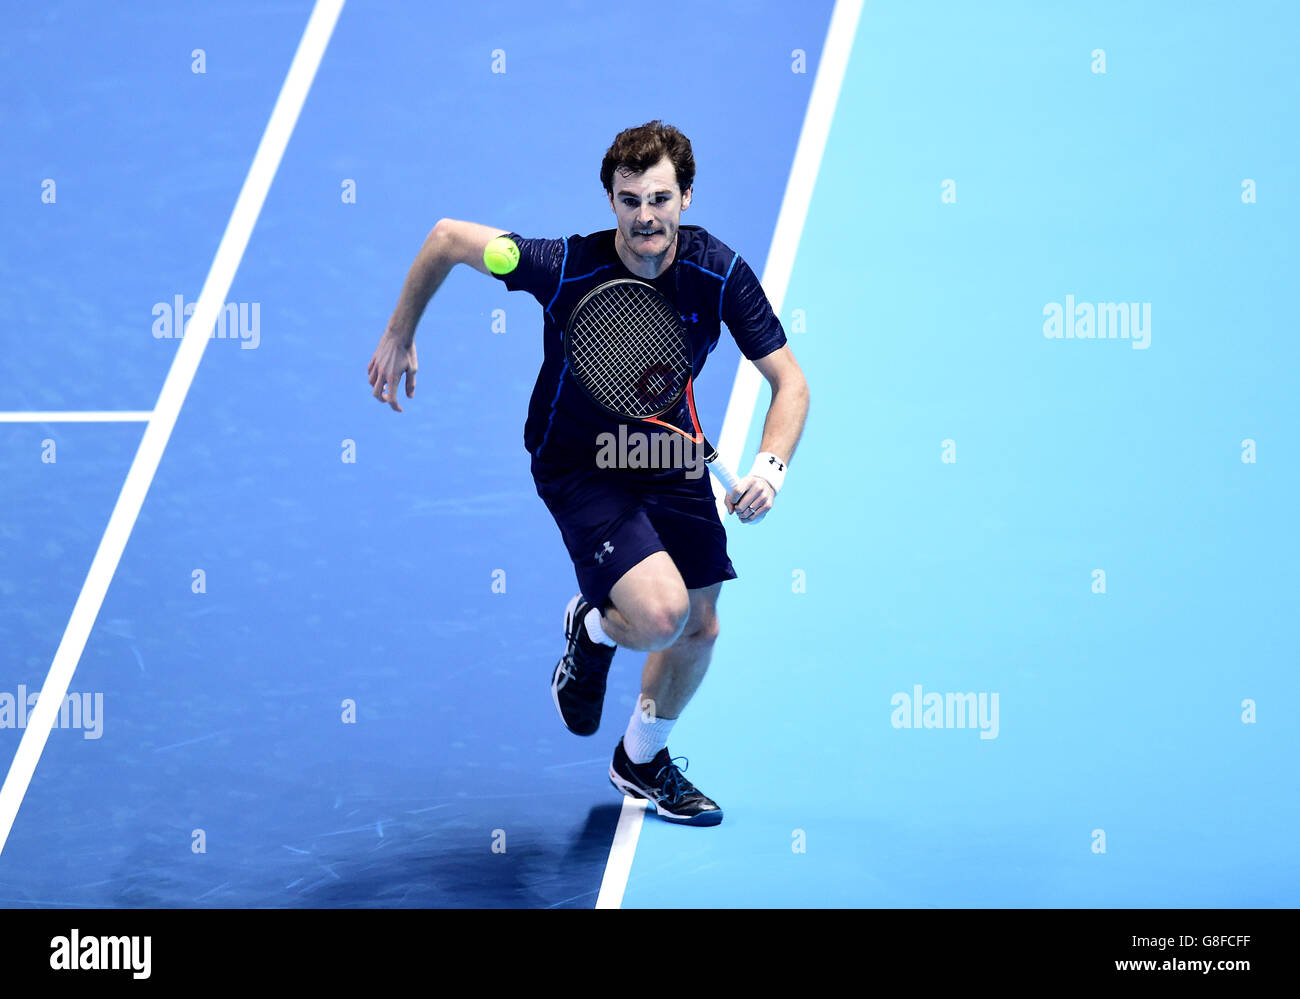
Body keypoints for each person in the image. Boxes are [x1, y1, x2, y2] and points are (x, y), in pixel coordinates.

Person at [368, 120, 809, 825]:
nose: (645, 216)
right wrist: (400, 330)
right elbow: (448, 236)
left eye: (659, 198)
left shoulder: (719, 272)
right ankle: (597, 628)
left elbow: (789, 382)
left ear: (686, 198)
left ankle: (640, 756)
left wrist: (772, 466)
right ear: (610, 200)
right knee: (662, 614)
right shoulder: (561, 265)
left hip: (668, 451)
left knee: (700, 628)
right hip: (582, 464)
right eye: (630, 199)